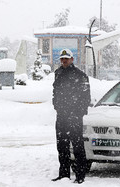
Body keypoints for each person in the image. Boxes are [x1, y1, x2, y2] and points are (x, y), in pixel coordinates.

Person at [52, 48, 91, 184]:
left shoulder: (80, 75)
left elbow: (86, 97)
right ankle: (63, 175)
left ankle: (80, 175)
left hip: (74, 117)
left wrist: (78, 113)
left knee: (77, 146)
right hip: (61, 116)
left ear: (72, 59)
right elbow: (55, 93)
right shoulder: (58, 73)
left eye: (66, 59)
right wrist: (56, 106)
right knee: (62, 147)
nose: (64, 61)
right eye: (62, 59)